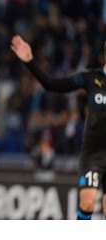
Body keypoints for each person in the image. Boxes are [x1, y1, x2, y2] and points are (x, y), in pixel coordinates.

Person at [11, 35, 106, 220]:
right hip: (93, 153)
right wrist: (30, 62)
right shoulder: (91, 78)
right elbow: (52, 85)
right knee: (88, 203)